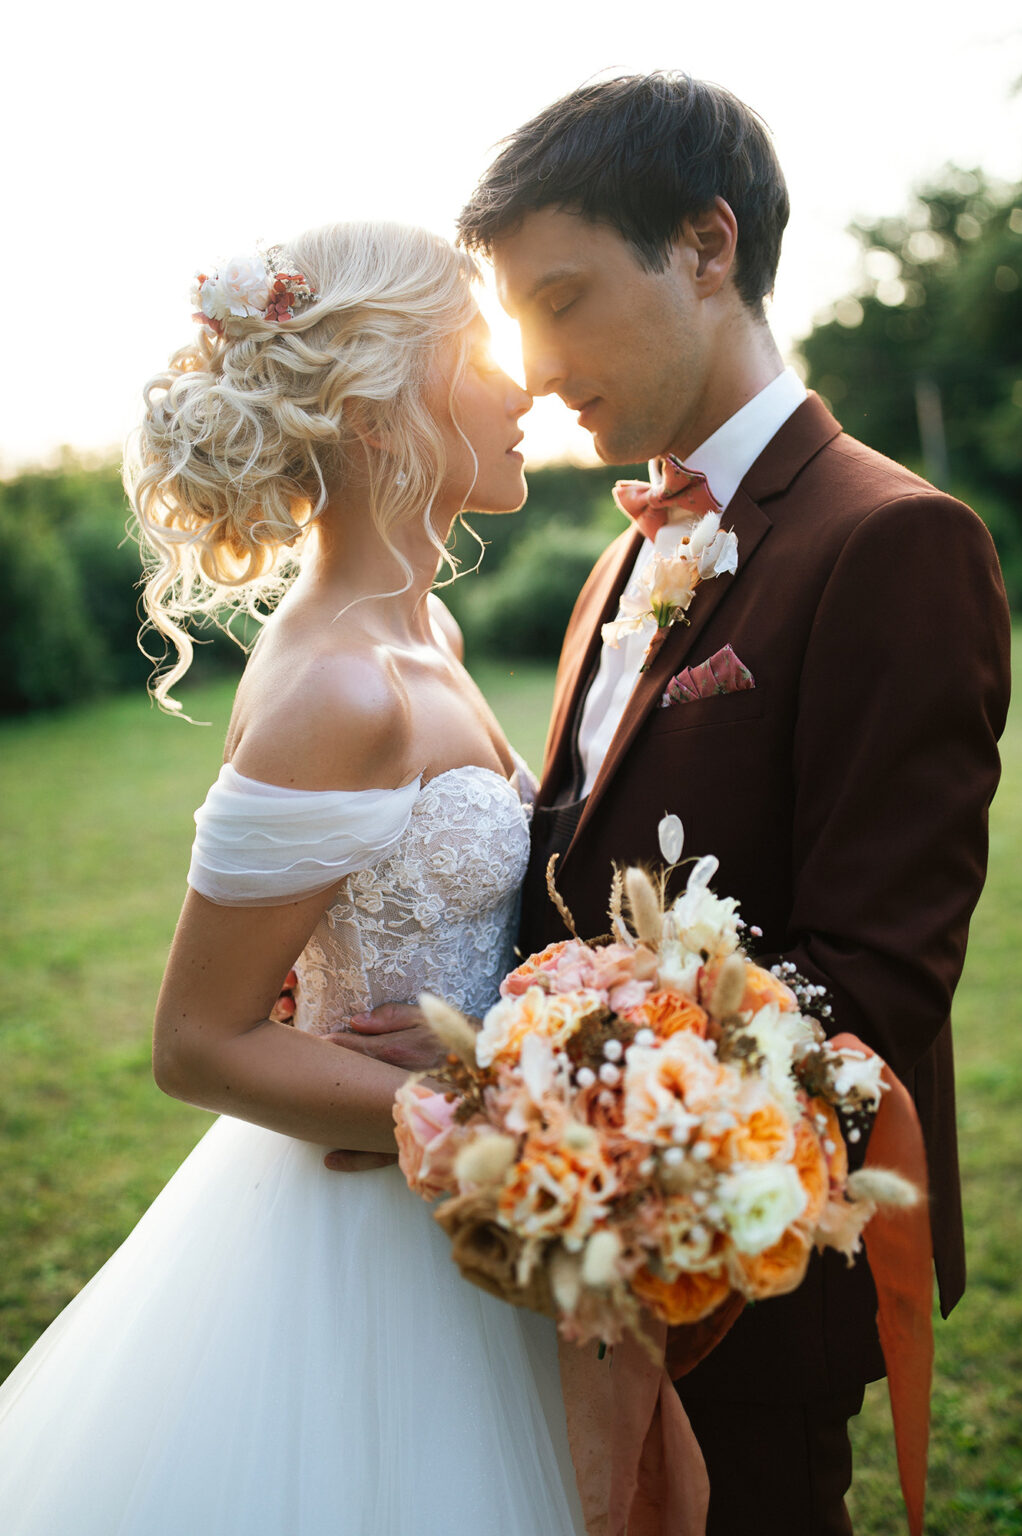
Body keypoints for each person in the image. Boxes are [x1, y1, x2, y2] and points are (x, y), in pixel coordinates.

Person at [331, 75, 1012, 1533]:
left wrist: (520, 1089)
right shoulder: (623, 551)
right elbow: (573, 864)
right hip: (568, 1252)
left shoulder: (895, 542)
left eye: (564, 298)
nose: (535, 363)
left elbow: (873, 984)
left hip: (749, 1269)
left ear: (707, 247)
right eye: (516, 317)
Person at [0, 222, 587, 1535]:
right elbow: (198, 1043)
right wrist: (468, 1105)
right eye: (482, 354)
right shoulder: (338, 685)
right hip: (378, 1246)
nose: (522, 387)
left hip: (471, 1213)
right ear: (382, 416)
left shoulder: (419, 628)